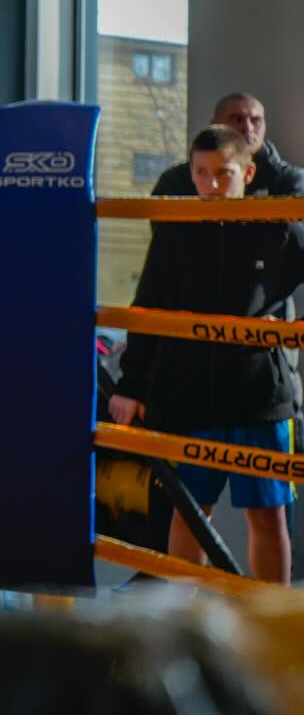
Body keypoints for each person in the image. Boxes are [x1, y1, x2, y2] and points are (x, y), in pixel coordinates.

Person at [112, 125, 304, 584]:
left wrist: (293, 330)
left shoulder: (277, 227)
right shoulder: (175, 232)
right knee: (191, 514)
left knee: (267, 516)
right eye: (201, 173)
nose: (212, 184)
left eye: (223, 173)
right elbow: (148, 305)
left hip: (260, 395)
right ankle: (186, 615)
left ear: (248, 174)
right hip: (193, 394)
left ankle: (267, 618)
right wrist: (131, 385)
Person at [153, 93, 304, 197]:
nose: (248, 128)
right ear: (214, 125)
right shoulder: (175, 182)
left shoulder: (291, 181)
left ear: (249, 173)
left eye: (256, 120)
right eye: (237, 119)